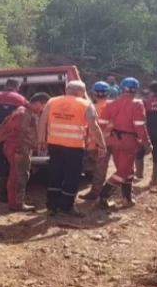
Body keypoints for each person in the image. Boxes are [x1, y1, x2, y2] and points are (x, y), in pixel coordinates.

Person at [37, 81, 107, 217]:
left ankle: (52, 206)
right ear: (81, 92)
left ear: (66, 90)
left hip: (54, 145)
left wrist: (41, 140)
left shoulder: (52, 102)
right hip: (74, 147)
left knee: (56, 174)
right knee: (72, 176)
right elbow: (94, 127)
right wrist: (101, 145)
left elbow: (42, 122)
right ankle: (66, 207)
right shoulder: (86, 105)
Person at [96, 78, 151, 208]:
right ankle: (102, 197)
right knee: (123, 171)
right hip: (129, 141)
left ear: (121, 88)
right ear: (136, 90)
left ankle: (127, 199)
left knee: (128, 170)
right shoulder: (137, 104)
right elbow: (139, 125)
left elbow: (101, 125)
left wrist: (98, 142)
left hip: (115, 140)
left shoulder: (111, 104)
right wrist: (146, 141)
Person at [0, 92, 50, 212]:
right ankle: (16, 204)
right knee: (19, 176)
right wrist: (19, 148)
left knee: (18, 174)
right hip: (18, 148)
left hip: (17, 147)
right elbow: (18, 131)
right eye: (43, 106)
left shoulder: (24, 111)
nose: (43, 109)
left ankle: (16, 201)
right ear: (39, 103)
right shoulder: (23, 113)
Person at [0, 78, 28, 202]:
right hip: (10, 133)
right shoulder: (20, 99)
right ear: (17, 87)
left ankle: (1, 191)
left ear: (5, 85)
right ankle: (13, 192)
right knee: (12, 160)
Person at [79, 81, 112, 200]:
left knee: (99, 169)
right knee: (123, 167)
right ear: (108, 93)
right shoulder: (114, 105)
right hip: (115, 141)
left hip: (97, 143)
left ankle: (95, 192)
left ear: (94, 93)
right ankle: (124, 192)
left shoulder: (91, 108)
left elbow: (90, 128)